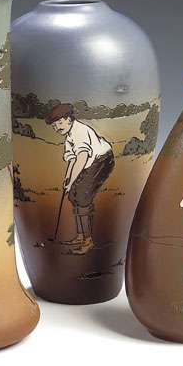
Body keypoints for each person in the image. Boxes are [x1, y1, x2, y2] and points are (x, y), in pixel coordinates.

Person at [46, 103, 115, 255]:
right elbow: (72, 160)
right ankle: (80, 236)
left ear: (69, 119)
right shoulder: (69, 137)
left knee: (83, 197)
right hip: (89, 163)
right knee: (73, 195)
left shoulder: (79, 131)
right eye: (54, 126)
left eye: (59, 123)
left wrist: (72, 182)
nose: (57, 128)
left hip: (103, 160)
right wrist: (68, 178)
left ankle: (87, 240)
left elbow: (82, 158)